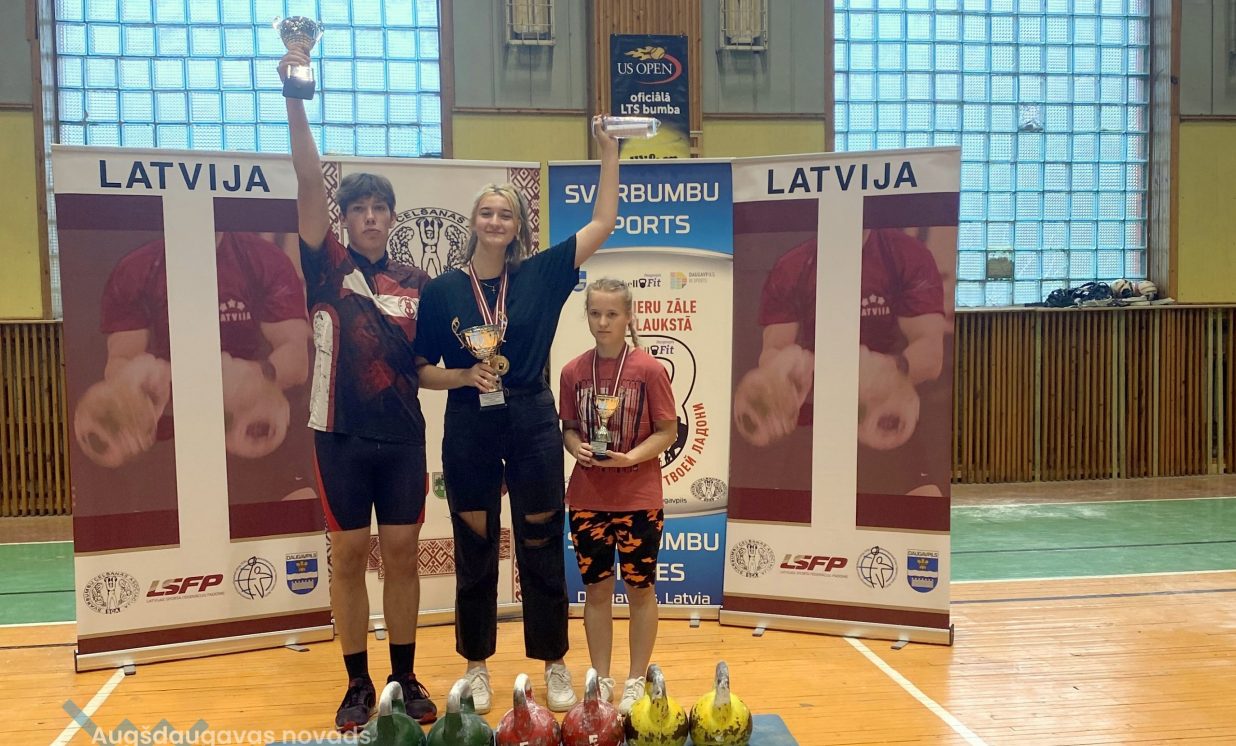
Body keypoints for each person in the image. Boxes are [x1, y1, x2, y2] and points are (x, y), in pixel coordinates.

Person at [412, 119, 620, 714]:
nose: (495, 221)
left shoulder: (541, 275)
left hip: (529, 416)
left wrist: (608, 152)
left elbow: (602, 222)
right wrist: (462, 376)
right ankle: (476, 664)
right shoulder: (443, 291)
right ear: (473, 222)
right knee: (474, 540)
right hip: (469, 420)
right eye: (487, 213)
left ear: (518, 226)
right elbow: (421, 368)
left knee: (540, 536)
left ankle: (553, 660)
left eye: (506, 214)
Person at [281, 50, 436, 731]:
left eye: (380, 208)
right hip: (338, 435)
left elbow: (426, 364)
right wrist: (295, 96)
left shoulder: (418, 283)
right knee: (347, 557)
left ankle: (403, 676)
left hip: (402, 438)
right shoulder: (326, 266)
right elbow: (307, 179)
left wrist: (471, 374)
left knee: (401, 556)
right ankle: (356, 682)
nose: (370, 216)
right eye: (360, 208)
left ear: (392, 217)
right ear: (343, 219)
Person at [733, 228, 948, 495]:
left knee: (923, 509)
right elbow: (772, 350)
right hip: (816, 427)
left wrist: (884, 369)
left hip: (885, 419)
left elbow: (931, 356)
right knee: (795, 517)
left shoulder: (905, 255)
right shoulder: (792, 266)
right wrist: (781, 370)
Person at [75, 231, 310, 470]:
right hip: (168, 432)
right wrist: (130, 383)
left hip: (247, 421)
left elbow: (297, 358)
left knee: (263, 432)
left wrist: (257, 374)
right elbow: (120, 359)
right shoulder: (135, 269)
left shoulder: (265, 258)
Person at [558, 278, 677, 715]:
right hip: (587, 498)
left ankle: (635, 679)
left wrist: (630, 459)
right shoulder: (572, 371)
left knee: (641, 590)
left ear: (628, 317)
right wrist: (576, 447)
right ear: (587, 315)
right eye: (595, 313)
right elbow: (569, 428)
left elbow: (668, 431)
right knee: (596, 591)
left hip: (638, 499)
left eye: (612, 314)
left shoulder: (649, 370)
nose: (603, 322)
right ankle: (602, 678)